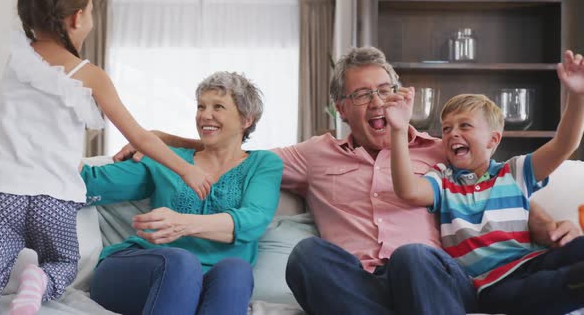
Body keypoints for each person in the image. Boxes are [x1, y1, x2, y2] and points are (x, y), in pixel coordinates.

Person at [114, 47, 580, 314]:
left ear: (398, 97)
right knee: (308, 257)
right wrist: (160, 140)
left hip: (432, 282)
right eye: (362, 95)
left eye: (384, 91)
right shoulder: (312, 155)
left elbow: (491, 187)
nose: (377, 102)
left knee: (414, 256)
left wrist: (543, 223)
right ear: (342, 108)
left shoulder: (441, 147)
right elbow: (237, 154)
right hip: (361, 289)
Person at [0, 0, 211, 314]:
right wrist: (187, 168)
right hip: (54, 198)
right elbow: (140, 137)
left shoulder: (9, 57)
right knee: (63, 262)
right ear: (77, 18)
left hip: (3, 193)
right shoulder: (90, 77)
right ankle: (39, 282)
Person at [386, 50, 584, 315]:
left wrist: (577, 97)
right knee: (548, 286)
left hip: (533, 261)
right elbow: (407, 191)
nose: (452, 133)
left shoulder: (514, 171)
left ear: (492, 140)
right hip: (492, 285)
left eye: (464, 126)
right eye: (446, 129)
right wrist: (399, 130)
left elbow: (564, 145)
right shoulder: (442, 180)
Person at [80, 71, 283, 315]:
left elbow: (253, 220)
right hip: (139, 272)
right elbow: (90, 182)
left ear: (246, 120)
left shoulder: (263, 163)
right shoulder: (168, 159)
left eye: (218, 106)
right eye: (201, 106)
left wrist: (183, 224)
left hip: (206, 283)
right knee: (183, 263)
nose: (205, 115)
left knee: (236, 270)